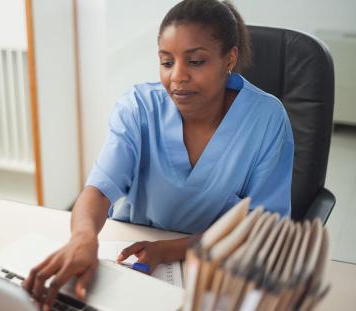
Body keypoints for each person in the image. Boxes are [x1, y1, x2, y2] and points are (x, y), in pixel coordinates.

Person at [23, 0, 294, 309]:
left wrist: (172, 249)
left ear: (229, 59)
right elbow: (98, 189)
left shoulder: (267, 119)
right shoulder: (138, 107)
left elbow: (263, 229)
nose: (177, 76)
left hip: (217, 267)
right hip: (132, 254)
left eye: (195, 62)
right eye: (167, 62)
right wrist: (83, 237)